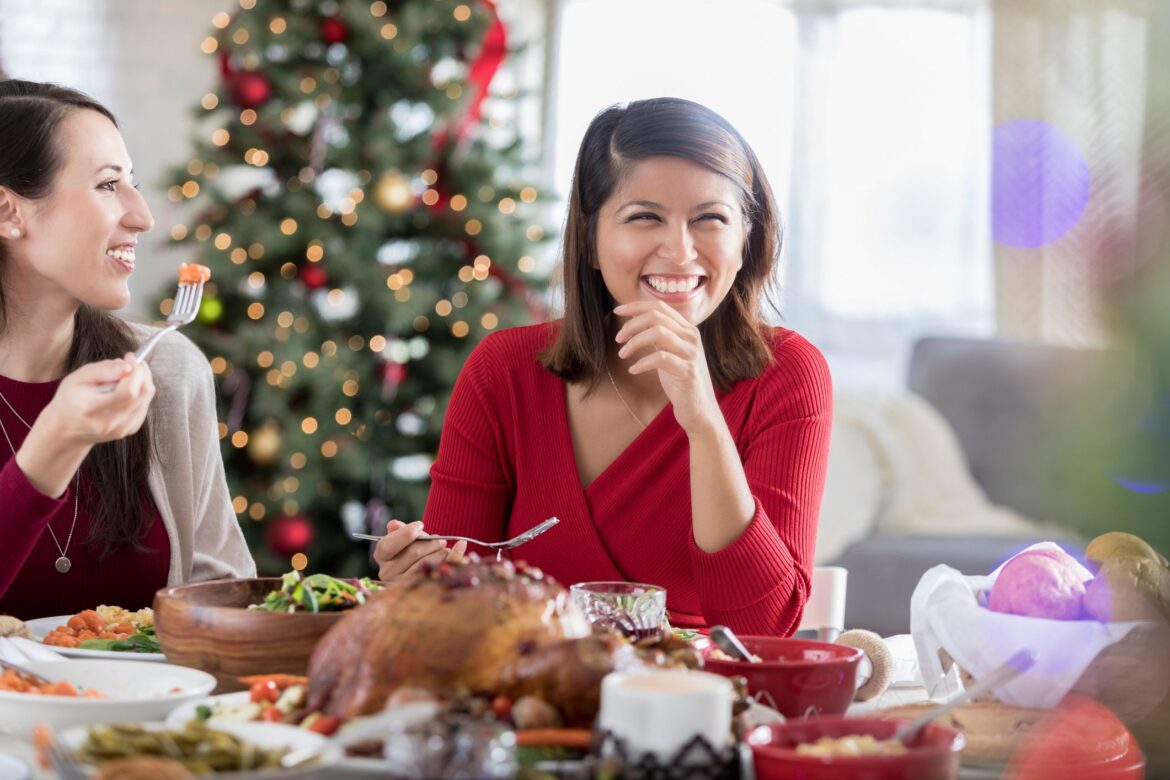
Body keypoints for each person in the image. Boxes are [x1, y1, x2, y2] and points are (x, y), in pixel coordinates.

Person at [375, 97, 832, 635]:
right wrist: (421, 581)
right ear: (590, 238)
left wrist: (703, 418)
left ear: (746, 237)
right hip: (534, 698)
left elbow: (765, 626)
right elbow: (453, 603)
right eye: (645, 218)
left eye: (710, 219)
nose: (681, 252)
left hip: (702, 705)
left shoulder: (789, 374)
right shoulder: (503, 372)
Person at [0, 79, 255, 620]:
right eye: (108, 185)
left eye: (131, 183)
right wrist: (54, 444)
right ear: (8, 212)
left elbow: (226, 591)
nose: (143, 216)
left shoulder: (168, 367)